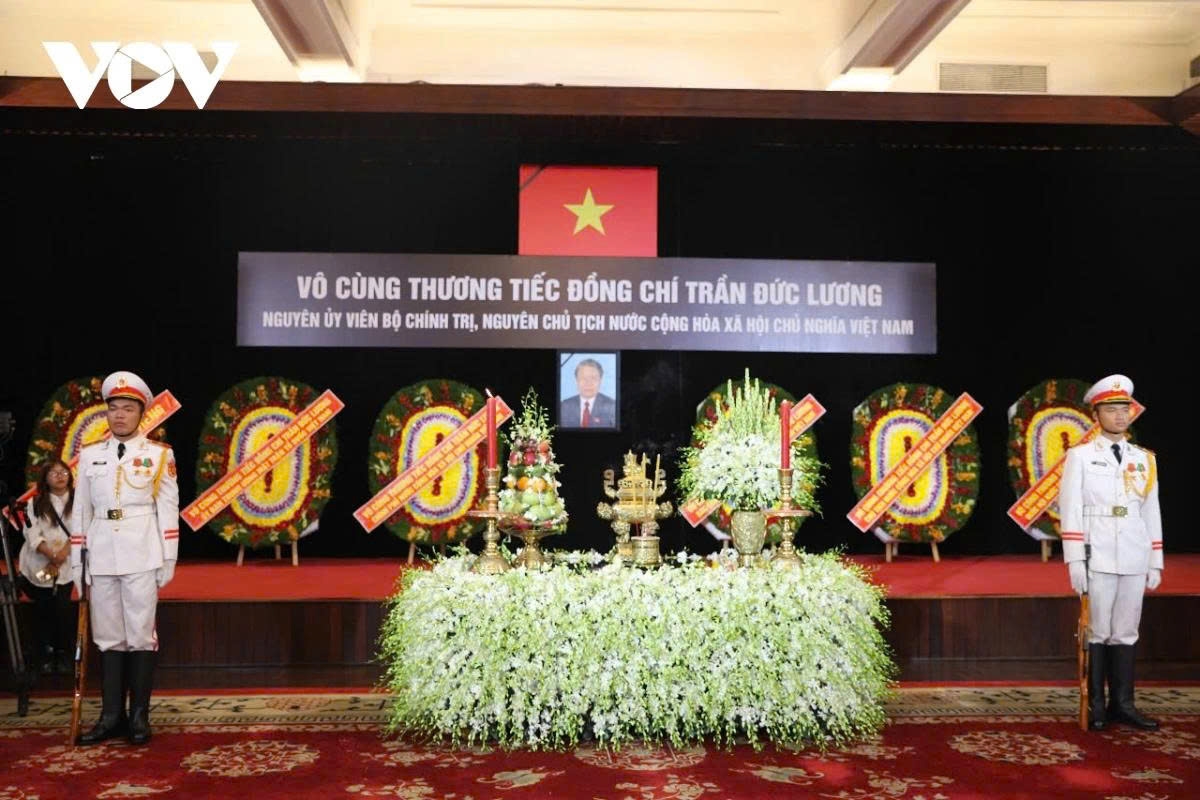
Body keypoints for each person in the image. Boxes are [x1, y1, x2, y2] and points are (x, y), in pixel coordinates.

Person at [70, 371, 179, 746]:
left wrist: (168, 559)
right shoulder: (89, 456)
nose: (119, 415)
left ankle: (138, 718)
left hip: (142, 552)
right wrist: (76, 562)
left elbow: (168, 507)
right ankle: (110, 716)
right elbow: (80, 510)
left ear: (141, 413)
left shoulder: (158, 455)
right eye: (113, 408)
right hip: (100, 553)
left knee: (140, 637)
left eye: (127, 408)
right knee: (108, 638)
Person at [1059, 373, 1162, 731]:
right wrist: (1074, 559)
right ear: (1096, 414)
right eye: (1112, 409)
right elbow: (1070, 508)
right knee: (1098, 630)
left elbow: (1151, 510)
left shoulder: (1144, 459)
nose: (1120, 416)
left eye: (1125, 409)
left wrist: (1155, 559)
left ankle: (1124, 703)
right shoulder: (1081, 457)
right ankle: (1098, 705)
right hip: (1097, 551)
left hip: (1134, 550)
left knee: (1126, 630)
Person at [16, 460, 76, 675]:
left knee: (63, 608)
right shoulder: (35, 503)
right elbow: (31, 533)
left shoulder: (79, 501)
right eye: (54, 473)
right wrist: (50, 554)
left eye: (63, 472)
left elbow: (83, 530)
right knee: (43, 609)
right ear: (45, 479)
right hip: (40, 562)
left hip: (67, 563)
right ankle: (44, 654)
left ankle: (64, 654)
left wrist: (61, 555)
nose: (60, 476)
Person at [560, 358, 616, 428]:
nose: (588, 383)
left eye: (593, 378)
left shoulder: (612, 406)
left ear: (600, 381)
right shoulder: (564, 406)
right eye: (583, 378)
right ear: (577, 381)